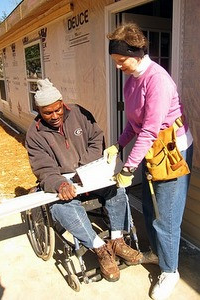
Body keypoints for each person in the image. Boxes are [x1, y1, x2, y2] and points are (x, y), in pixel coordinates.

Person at [105, 23, 193, 299]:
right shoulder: (131, 81)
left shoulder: (158, 80)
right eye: (115, 61)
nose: (118, 66)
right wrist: (118, 144)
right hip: (151, 149)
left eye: (121, 60)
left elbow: (151, 128)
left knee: (165, 218)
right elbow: (135, 123)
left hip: (171, 151)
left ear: (139, 53)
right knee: (149, 207)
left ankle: (170, 271)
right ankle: (158, 253)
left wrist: (129, 167)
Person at [25, 78, 143, 283]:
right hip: (64, 180)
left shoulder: (80, 114)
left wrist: (85, 169)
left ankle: (116, 240)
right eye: (47, 112)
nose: (54, 116)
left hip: (89, 173)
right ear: (39, 110)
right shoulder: (34, 135)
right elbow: (44, 168)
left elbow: (96, 139)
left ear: (62, 103)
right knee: (61, 207)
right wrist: (60, 184)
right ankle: (99, 248)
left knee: (116, 189)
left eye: (57, 110)